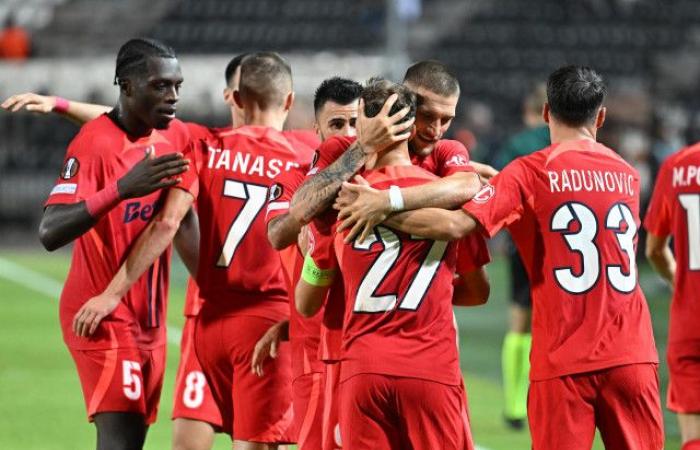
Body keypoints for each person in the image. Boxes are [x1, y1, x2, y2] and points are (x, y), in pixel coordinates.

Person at [381, 65, 663, 450]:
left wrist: (383, 204)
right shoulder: (627, 175)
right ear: (600, 116)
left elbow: (454, 227)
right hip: (633, 356)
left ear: (546, 112)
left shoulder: (529, 172)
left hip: (564, 360)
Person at [81, 52, 314, 450]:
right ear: (289, 102)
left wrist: (111, 293)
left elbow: (166, 219)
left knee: (189, 443)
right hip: (269, 321)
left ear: (235, 99)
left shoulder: (203, 144)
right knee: (256, 442)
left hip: (208, 322)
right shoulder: (307, 154)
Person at [295, 78, 482, 450]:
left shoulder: (340, 199)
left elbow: (307, 301)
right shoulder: (448, 192)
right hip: (432, 367)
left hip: (363, 368)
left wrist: (315, 261)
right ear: (411, 127)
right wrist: (434, 290)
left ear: (364, 123)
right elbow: (478, 291)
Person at [39, 37, 191, 450]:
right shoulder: (93, 145)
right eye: (160, 86)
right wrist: (121, 189)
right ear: (127, 86)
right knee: (119, 440)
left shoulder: (173, 137)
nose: (173, 96)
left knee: (133, 439)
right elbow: (50, 231)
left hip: (151, 321)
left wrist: (59, 104)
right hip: (100, 315)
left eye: (177, 85)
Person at [253, 76, 363, 450]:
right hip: (316, 352)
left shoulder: (378, 184)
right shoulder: (293, 180)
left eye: (355, 123)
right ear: (316, 129)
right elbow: (279, 234)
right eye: (336, 124)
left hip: (371, 348)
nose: (347, 134)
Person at [495, 83, 550, 429]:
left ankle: (515, 406)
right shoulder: (564, 142)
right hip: (561, 246)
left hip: (524, 244)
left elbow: (500, 188)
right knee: (554, 323)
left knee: (519, 321)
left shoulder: (517, 145)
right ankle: (544, 398)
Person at [645, 142, 700, 450]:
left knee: (693, 438)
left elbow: (654, 249)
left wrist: (679, 280)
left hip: (690, 321)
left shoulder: (677, 165)